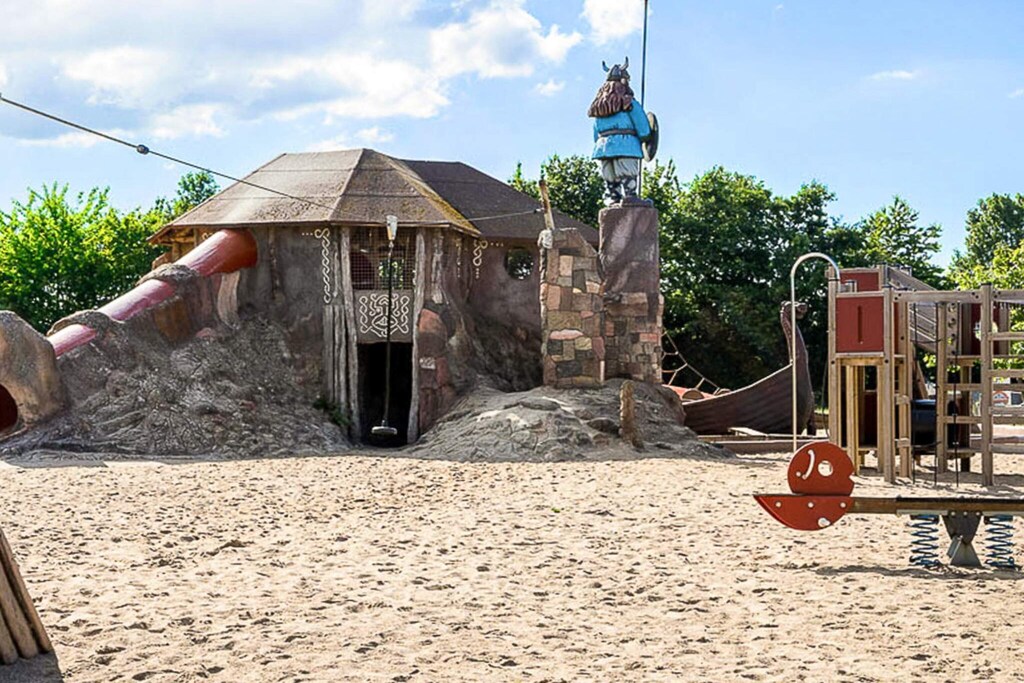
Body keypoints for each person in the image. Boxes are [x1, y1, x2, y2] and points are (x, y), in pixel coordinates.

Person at [588, 57, 651, 205]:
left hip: (603, 149)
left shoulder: (599, 107)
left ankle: (614, 198)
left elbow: (595, 134)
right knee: (627, 173)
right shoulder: (629, 103)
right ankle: (630, 197)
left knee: (610, 177)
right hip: (626, 146)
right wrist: (646, 137)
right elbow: (643, 129)